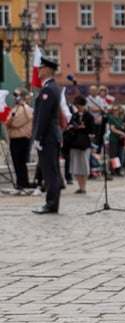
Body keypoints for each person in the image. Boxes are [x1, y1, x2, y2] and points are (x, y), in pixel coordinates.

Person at [31, 57, 63, 214]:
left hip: (47, 137)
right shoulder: (52, 87)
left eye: (41, 67)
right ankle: (52, 203)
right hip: (51, 136)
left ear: (49, 70)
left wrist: (38, 137)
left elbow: (43, 116)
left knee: (50, 172)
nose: (38, 70)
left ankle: (51, 204)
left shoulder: (48, 89)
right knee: (52, 171)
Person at [5, 89, 34, 192]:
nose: (14, 98)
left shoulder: (25, 108)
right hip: (14, 139)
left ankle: (23, 182)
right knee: (16, 162)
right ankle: (20, 182)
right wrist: (11, 121)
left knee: (21, 162)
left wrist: (11, 122)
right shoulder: (14, 109)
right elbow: (7, 123)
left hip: (22, 138)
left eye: (16, 95)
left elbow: (17, 123)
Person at [66, 95, 95, 194]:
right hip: (74, 142)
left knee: (84, 165)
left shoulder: (89, 116)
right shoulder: (74, 115)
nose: (78, 108)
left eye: (79, 106)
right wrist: (71, 127)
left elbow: (92, 130)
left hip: (84, 143)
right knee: (76, 165)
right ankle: (79, 185)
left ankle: (83, 186)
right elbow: (69, 125)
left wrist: (84, 127)